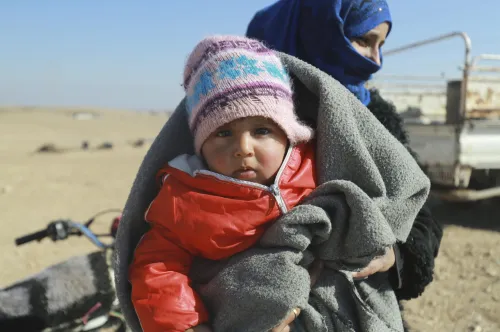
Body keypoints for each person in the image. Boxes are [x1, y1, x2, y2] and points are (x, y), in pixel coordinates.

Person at [246, 0, 443, 314]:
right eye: (364, 40)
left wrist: (397, 254)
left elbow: (419, 212)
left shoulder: (375, 116)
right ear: (318, 33)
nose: (376, 60)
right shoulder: (243, 119)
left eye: (381, 45)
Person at [128, 35, 317, 332]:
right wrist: (186, 325)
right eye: (223, 133)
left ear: (288, 135)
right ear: (200, 146)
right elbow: (158, 266)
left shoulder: (313, 169)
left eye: (262, 129)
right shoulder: (186, 198)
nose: (243, 147)